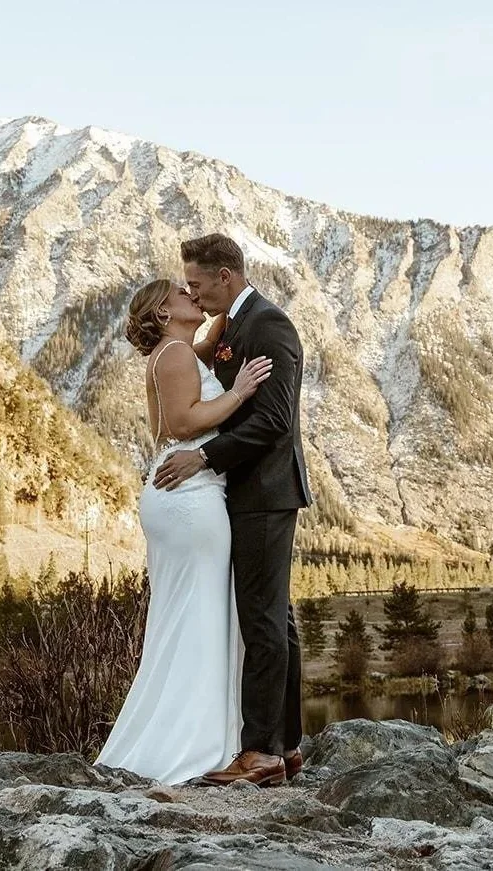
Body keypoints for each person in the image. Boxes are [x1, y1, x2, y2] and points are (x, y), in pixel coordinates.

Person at [94, 277, 272, 784]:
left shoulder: (179, 349)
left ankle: (192, 739)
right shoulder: (173, 353)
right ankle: (192, 749)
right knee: (201, 616)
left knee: (191, 615)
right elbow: (183, 423)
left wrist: (232, 297)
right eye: (180, 292)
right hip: (189, 493)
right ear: (161, 311)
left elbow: (217, 331)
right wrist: (239, 393)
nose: (191, 295)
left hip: (184, 492)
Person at [154, 233, 311, 787]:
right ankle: (285, 745)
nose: (193, 293)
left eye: (196, 283)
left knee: (263, 620)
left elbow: (273, 422)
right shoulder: (234, 325)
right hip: (249, 493)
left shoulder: (268, 326)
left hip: (265, 493)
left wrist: (204, 457)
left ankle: (262, 753)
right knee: (275, 620)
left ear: (226, 275)